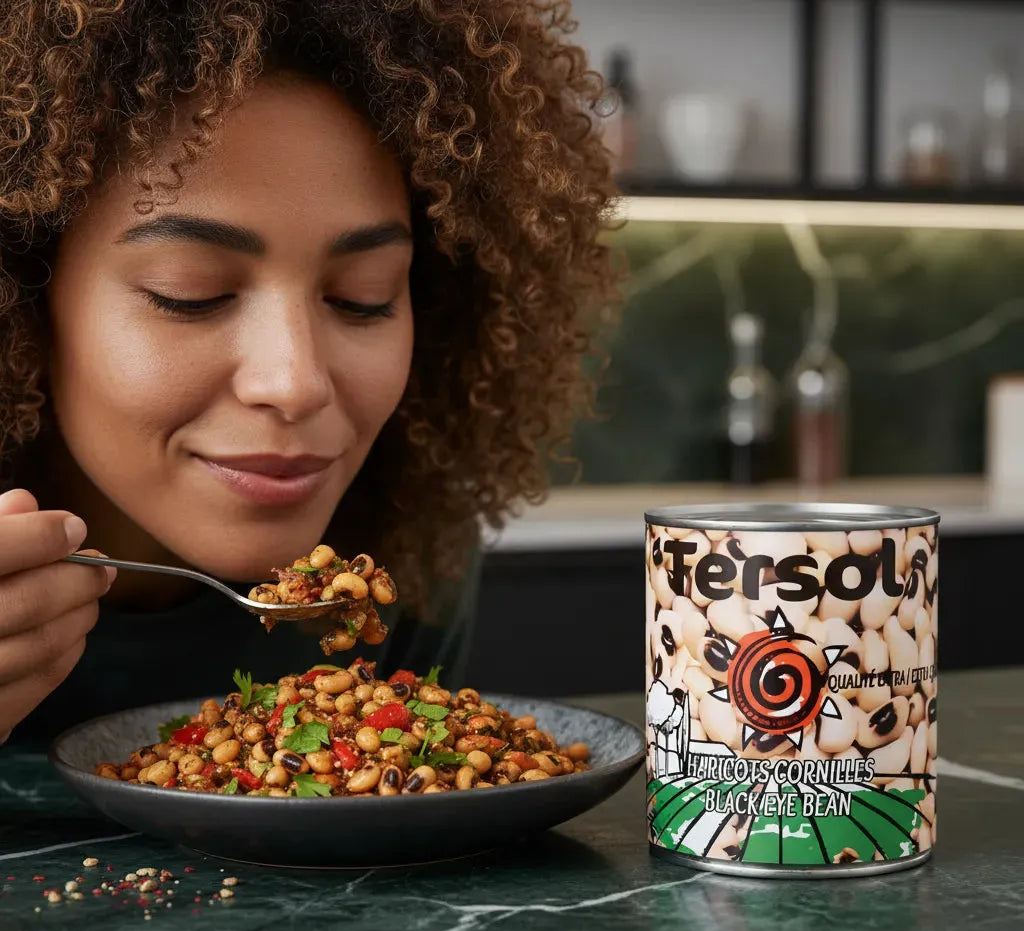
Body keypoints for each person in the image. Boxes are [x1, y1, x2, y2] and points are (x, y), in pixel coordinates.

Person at [0, 0, 618, 744]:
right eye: (191, 293)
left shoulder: (407, 547)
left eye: (363, 300)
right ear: (27, 307)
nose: (295, 383)